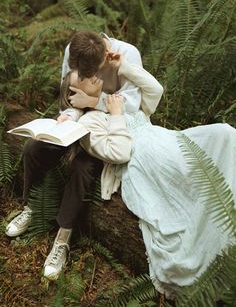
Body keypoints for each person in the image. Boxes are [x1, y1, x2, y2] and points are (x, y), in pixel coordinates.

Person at [61, 55, 236, 297]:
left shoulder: (114, 98)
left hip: (168, 139)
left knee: (224, 134)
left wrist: (121, 67)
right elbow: (119, 153)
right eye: (80, 77)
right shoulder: (89, 124)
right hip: (143, 158)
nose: (88, 73)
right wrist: (114, 114)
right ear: (74, 94)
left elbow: (156, 90)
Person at [5, 30, 149, 280]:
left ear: (105, 58)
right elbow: (68, 94)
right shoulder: (73, 51)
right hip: (78, 119)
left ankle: (63, 237)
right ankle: (30, 207)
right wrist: (68, 116)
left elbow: (133, 105)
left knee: (83, 166)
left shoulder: (128, 54)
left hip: (109, 126)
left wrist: (94, 102)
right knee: (34, 147)